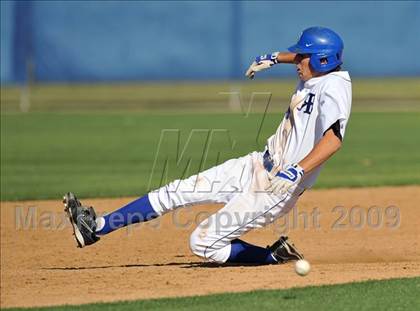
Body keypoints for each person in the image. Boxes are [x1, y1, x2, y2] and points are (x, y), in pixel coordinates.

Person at [63, 26, 351, 265]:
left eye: (302, 56)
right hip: (256, 164)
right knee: (175, 191)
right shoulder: (316, 72)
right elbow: (304, 57)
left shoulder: (334, 87)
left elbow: (334, 139)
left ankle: (273, 256)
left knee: (202, 243)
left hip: (277, 188)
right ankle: (96, 228)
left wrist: (298, 171)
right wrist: (276, 58)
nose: (297, 60)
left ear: (321, 61)